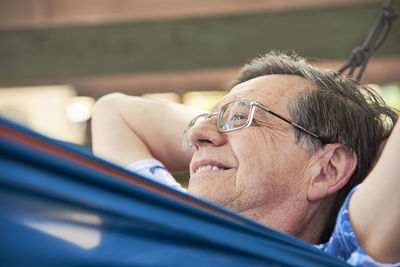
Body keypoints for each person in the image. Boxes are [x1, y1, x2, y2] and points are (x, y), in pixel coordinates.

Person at [91, 51, 400, 266]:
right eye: (203, 120)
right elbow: (114, 112)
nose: (196, 135)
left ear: (327, 170)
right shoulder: (165, 221)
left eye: (242, 116)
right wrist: (224, 130)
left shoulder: (344, 254)